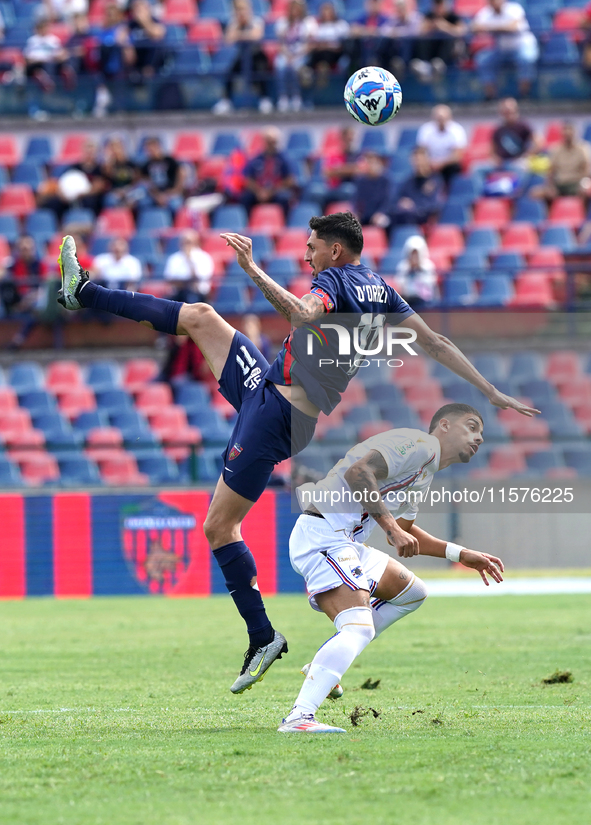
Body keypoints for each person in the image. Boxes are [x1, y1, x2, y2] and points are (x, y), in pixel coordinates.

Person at [56, 213, 538, 694]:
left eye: (311, 246)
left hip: (275, 417)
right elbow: (434, 342)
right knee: (202, 317)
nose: (305, 254)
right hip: (270, 391)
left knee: (218, 527)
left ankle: (263, 638)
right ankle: (84, 292)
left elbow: (303, 314)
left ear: (334, 251)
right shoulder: (380, 288)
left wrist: (251, 267)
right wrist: (489, 390)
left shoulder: (336, 280)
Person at [278, 403, 504, 733]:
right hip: (324, 533)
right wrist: (392, 530)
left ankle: (325, 662)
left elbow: (405, 530)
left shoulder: (425, 472)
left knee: (412, 593)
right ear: (443, 425)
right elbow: (359, 473)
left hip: (346, 541)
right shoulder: (419, 445)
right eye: (471, 426)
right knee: (358, 628)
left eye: (481, 432)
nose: (479, 437)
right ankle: (300, 717)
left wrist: (460, 554)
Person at [212, 0, 273, 116]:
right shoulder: (234, 23)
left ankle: (265, 99)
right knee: (229, 72)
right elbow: (228, 40)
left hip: (257, 55)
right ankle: (226, 101)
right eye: (238, 10)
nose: (241, 12)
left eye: (243, 9)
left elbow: (256, 36)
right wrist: (240, 28)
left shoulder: (256, 21)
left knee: (260, 71)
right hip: (242, 56)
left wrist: (240, 35)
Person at [471, 0, 539, 100]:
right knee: (482, 60)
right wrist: (500, 27)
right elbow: (474, 28)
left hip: (523, 46)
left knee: (526, 59)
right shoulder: (486, 12)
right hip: (501, 49)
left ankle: (525, 95)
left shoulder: (514, 8)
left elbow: (513, 27)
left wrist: (489, 27)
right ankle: (490, 96)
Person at [240, 127, 296, 217]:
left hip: (276, 192)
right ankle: (247, 223)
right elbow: (248, 179)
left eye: (273, 142)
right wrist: (259, 192)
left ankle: (283, 222)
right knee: (246, 198)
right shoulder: (256, 159)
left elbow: (290, 180)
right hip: (259, 191)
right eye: (268, 141)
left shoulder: (284, 159)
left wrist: (271, 192)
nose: (271, 144)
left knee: (284, 198)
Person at [274, 0, 318, 113]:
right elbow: (280, 44)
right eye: (293, 8)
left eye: (297, 8)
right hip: (286, 54)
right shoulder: (283, 23)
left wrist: (296, 56)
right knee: (280, 66)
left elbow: (310, 44)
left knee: (295, 68)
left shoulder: (309, 22)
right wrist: (287, 55)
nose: (295, 11)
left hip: (302, 54)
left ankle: (296, 96)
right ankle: (283, 97)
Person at [530, 122, 591, 202]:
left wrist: (584, 183)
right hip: (560, 185)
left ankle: (582, 213)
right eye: (565, 133)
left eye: (570, 132)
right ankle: (549, 213)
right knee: (535, 193)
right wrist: (550, 186)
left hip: (576, 184)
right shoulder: (556, 149)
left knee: (586, 191)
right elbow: (551, 171)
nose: (568, 135)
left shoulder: (583, 149)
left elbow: (587, 170)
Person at [387, 146, 445, 230]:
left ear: (427, 160)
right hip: (405, 216)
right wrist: (401, 203)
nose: (418, 163)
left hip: (423, 218)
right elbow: (395, 200)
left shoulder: (435, 180)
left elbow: (434, 204)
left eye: (420, 159)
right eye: (415, 160)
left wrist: (413, 206)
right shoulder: (408, 181)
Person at [410, 0, 466, 82]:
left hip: (447, 53)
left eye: (440, 5)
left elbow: (462, 31)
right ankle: (424, 63)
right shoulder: (429, 16)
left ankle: (440, 62)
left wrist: (444, 27)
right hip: (432, 50)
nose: (438, 8)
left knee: (448, 39)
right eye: (436, 5)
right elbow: (420, 32)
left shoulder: (452, 16)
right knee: (424, 40)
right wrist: (431, 27)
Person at [416, 104, 467, 186]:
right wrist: (429, 162)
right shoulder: (426, 129)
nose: (441, 120)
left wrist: (441, 163)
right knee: (420, 165)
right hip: (430, 163)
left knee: (454, 167)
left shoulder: (457, 130)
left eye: (443, 118)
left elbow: (457, 155)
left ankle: (450, 191)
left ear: (449, 117)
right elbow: (421, 151)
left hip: (448, 164)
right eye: (438, 118)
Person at [24, 17, 77, 93]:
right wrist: (42, 59)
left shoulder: (53, 39)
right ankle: (42, 79)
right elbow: (28, 58)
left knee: (63, 63)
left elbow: (61, 53)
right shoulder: (33, 40)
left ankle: (66, 76)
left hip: (53, 62)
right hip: (38, 63)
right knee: (35, 69)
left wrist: (59, 56)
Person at [163, 229, 214, 302]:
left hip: (198, 294)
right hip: (178, 293)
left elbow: (199, 280)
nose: (186, 245)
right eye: (184, 242)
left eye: (189, 242)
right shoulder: (174, 258)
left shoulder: (204, 258)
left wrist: (189, 260)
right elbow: (169, 279)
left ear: (196, 242)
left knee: (191, 297)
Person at [307, 1, 350, 87]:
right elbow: (313, 43)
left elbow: (343, 44)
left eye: (328, 10)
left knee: (327, 53)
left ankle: (323, 67)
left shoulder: (341, 25)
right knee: (315, 53)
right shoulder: (317, 26)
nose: (326, 13)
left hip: (335, 54)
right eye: (324, 10)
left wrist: (327, 45)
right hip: (319, 52)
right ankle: (307, 71)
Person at [140, 136, 185, 214]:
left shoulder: (169, 161)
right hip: (155, 195)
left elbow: (182, 173)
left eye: (152, 148)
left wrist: (175, 190)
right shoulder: (146, 165)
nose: (151, 152)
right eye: (148, 150)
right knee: (143, 203)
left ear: (158, 147)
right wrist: (157, 196)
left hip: (170, 193)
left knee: (176, 205)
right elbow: (148, 184)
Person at [393, 235, 439, 310]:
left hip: (423, 302)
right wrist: (409, 269)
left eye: (416, 254)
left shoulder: (428, 266)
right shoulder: (403, 266)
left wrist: (418, 270)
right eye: (412, 254)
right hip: (407, 300)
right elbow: (400, 284)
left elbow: (429, 285)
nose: (414, 257)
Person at [378, 0, 422, 78]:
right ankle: (380, 61)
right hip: (395, 50)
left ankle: (402, 62)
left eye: (402, 8)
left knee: (406, 41)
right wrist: (393, 33)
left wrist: (398, 32)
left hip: (413, 50)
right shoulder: (394, 19)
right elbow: (383, 31)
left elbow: (415, 32)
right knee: (386, 41)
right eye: (398, 9)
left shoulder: (415, 17)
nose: (400, 11)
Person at [491, 97, 538, 166]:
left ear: (516, 111)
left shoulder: (523, 126)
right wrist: (495, 159)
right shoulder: (498, 130)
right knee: (477, 169)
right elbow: (491, 150)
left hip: (518, 162)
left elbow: (539, 143)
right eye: (505, 112)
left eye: (510, 111)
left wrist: (527, 156)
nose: (508, 114)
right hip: (501, 163)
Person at [127, 0, 166, 82]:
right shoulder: (131, 25)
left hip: (151, 61)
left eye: (140, 9)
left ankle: (148, 72)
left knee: (156, 44)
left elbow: (158, 34)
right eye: (136, 9)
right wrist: (128, 45)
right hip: (136, 58)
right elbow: (121, 37)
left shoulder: (154, 21)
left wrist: (144, 22)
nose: (138, 12)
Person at [352, 151, 392, 227]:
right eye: (369, 162)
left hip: (380, 214)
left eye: (374, 163)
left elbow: (388, 202)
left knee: (383, 222)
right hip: (364, 215)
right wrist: (356, 213)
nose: (371, 165)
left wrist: (380, 212)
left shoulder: (386, 180)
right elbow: (355, 200)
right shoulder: (361, 180)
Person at [350, 0, 391, 68]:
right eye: (371, 4)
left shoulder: (385, 19)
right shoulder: (362, 18)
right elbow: (354, 29)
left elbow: (388, 31)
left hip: (380, 50)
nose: (373, 7)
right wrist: (368, 31)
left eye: (375, 4)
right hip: (363, 48)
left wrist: (373, 31)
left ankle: (375, 62)